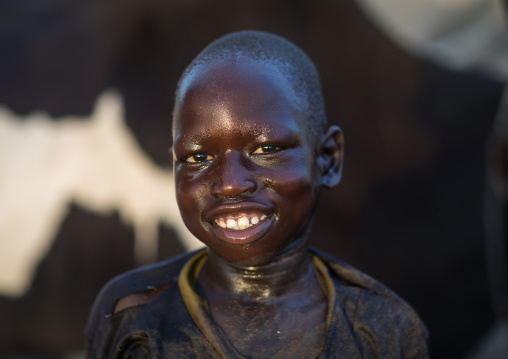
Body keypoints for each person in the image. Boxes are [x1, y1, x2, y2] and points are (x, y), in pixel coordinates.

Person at [85, 30, 429, 358]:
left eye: (266, 149)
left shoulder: (381, 329)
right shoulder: (132, 312)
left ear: (327, 159)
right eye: (197, 158)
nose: (230, 183)